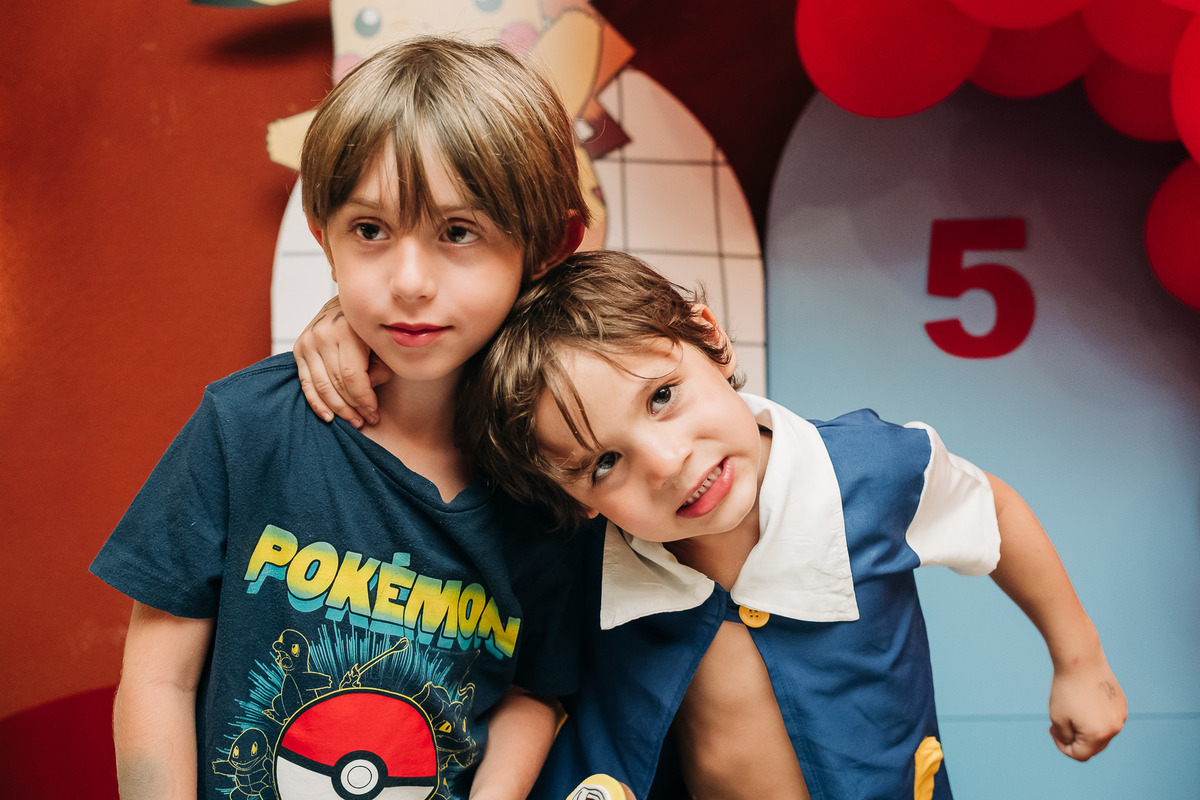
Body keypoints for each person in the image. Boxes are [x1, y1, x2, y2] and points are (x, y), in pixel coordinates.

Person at [295, 250, 1127, 799]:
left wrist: (1079, 660)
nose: (665, 462)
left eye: (663, 396)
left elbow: (992, 509)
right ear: (573, 497)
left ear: (708, 339)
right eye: (604, 463)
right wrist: (350, 325)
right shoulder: (580, 551)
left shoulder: (871, 474)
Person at [90, 36, 596, 800]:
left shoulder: (554, 479)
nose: (410, 282)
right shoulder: (244, 427)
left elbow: (534, 689)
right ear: (323, 237)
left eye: (459, 231)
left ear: (551, 246)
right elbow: (159, 678)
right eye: (371, 230)